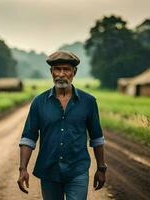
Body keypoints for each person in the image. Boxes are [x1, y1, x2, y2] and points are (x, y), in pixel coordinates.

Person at [17, 50, 107, 200]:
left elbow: (97, 138)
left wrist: (101, 168)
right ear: (51, 72)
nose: (61, 74)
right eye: (57, 69)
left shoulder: (88, 102)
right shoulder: (39, 102)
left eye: (66, 69)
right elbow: (28, 138)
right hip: (49, 171)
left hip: (77, 170)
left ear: (74, 72)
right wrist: (22, 169)